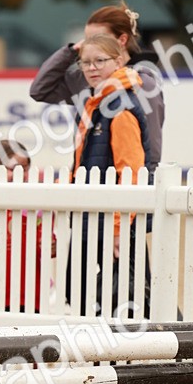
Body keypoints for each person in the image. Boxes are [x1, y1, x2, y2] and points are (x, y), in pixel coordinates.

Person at [67, 32, 152, 317]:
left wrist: (118, 229)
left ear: (118, 61)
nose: (91, 68)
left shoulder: (120, 109)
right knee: (85, 292)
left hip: (111, 225)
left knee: (123, 297)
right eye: (85, 62)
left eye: (99, 61)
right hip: (93, 220)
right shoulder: (98, 104)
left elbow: (130, 174)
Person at [30, 3, 164, 170]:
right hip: (88, 179)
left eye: (99, 38)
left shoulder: (143, 82)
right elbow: (39, 90)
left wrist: (146, 181)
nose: (90, 44)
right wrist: (71, 51)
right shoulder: (87, 77)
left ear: (122, 40)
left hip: (125, 182)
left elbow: (151, 142)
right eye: (87, 39)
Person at [0, 139, 55, 313]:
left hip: (31, 292)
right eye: (13, 168)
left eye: (25, 168)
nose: (21, 173)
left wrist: (49, 244)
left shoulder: (36, 206)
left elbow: (47, 237)